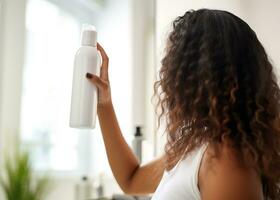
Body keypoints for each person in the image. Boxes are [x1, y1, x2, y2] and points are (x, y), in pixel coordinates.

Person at [85, 9, 280, 200]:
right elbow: (131, 179)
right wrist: (104, 104)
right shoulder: (198, 143)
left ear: (197, 73)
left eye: (172, 62)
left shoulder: (226, 161)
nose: (165, 72)